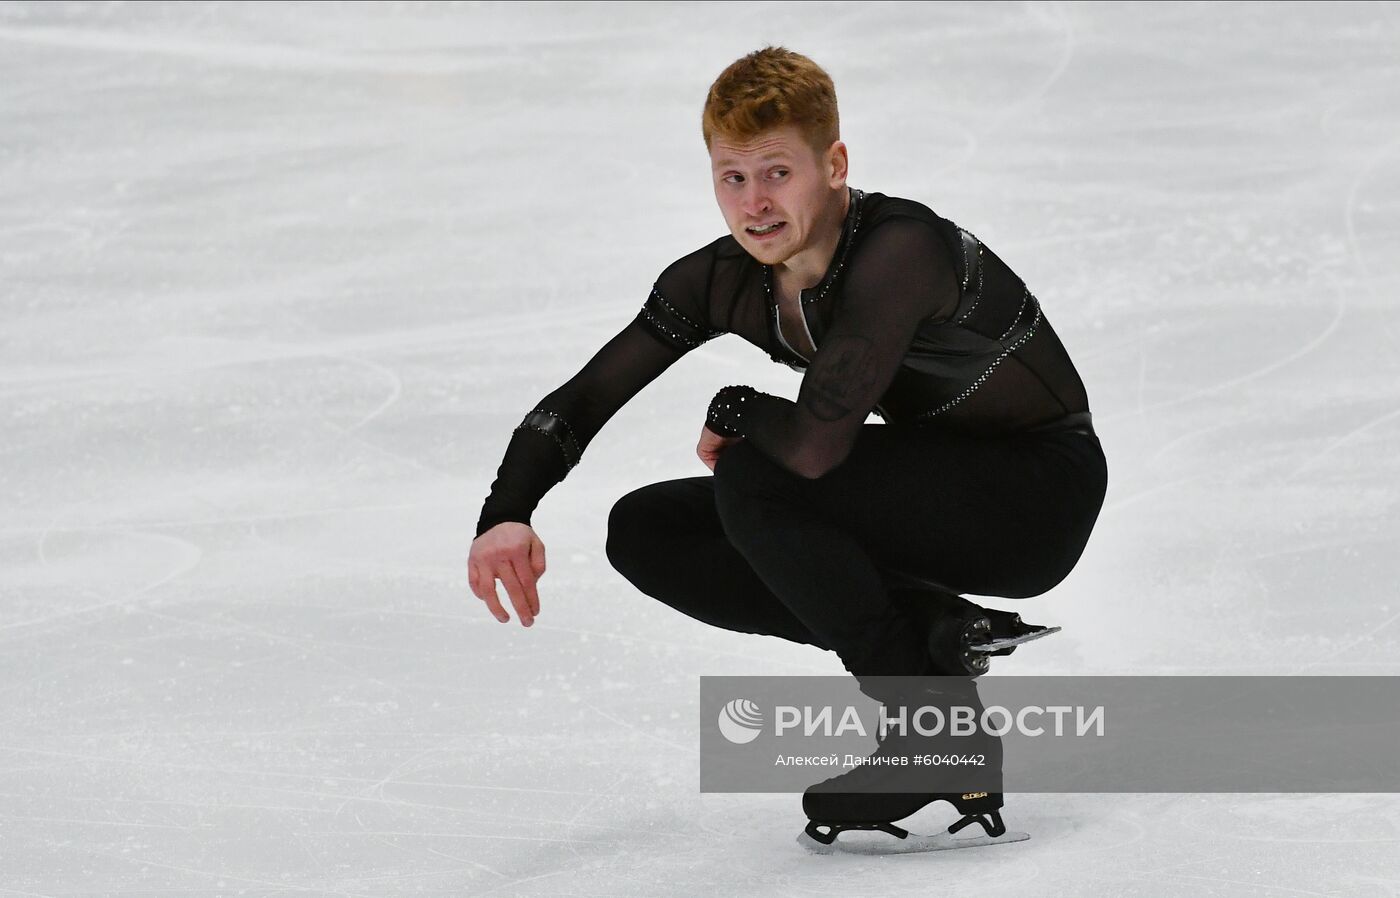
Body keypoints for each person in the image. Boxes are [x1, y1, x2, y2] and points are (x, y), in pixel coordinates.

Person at [467, 46, 1107, 851]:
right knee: (649, 529)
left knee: (758, 474)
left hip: (1034, 497)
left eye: (777, 173)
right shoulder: (721, 280)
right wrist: (506, 513)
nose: (755, 203)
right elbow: (583, 398)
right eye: (732, 178)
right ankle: (935, 639)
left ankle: (927, 728)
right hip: (924, 488)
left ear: (833, 165)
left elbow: (811, 451)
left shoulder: (902, 249)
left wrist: (737, 406)